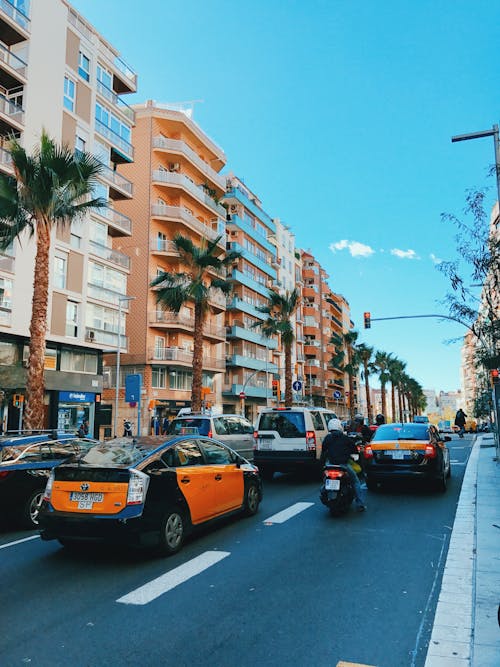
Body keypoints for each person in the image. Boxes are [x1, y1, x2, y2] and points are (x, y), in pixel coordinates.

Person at [320, 418, 366, 511]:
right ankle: (360, 504)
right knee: (355, 481)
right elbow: (354, 449)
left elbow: (323, 451)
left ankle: (325, 491)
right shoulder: (345, 438)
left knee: (325, 480)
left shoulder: (327, 438)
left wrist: (322, 465)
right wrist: (354, 456)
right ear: (339, 427)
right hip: (343, 465)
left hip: (330, 465)